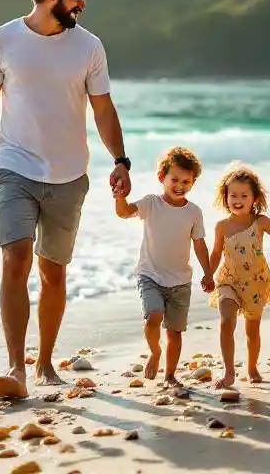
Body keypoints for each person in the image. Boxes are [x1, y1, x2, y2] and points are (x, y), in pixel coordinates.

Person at [0, 0, 132, 400]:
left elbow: (103, 109)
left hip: (68, 175)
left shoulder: (88, 47)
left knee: (53, 272)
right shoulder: (2, 40)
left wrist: (120, 160)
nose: (82, 5)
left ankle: (44, 364)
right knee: (15, 258)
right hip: (12, 169)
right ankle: (16, 367)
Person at [115, 146, 215, 386]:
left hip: (180, 281)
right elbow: (124, 213)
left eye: (187, 181)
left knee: (175, 332)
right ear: (162, 177)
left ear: (193, 182)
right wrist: (120, 196)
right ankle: (154, 352)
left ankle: (170, 375)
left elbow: (200, 245)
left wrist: (208, 273)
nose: (180, 185)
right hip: (150, 274)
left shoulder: (194, 212)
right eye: (175, 179)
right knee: (153, 317)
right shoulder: (151, 203)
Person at [209, 164, 270, 389]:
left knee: (252, 330)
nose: (237, 199)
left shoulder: (260, 222)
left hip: (255, 283)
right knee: (226, 321)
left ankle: (251, 367)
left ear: (254, 198)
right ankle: (229, 371)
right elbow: (215, 254)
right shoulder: (221, 226)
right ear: (225, 197)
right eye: (233, 195)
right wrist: (207, 275)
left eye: (244, 195)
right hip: (228, 280)